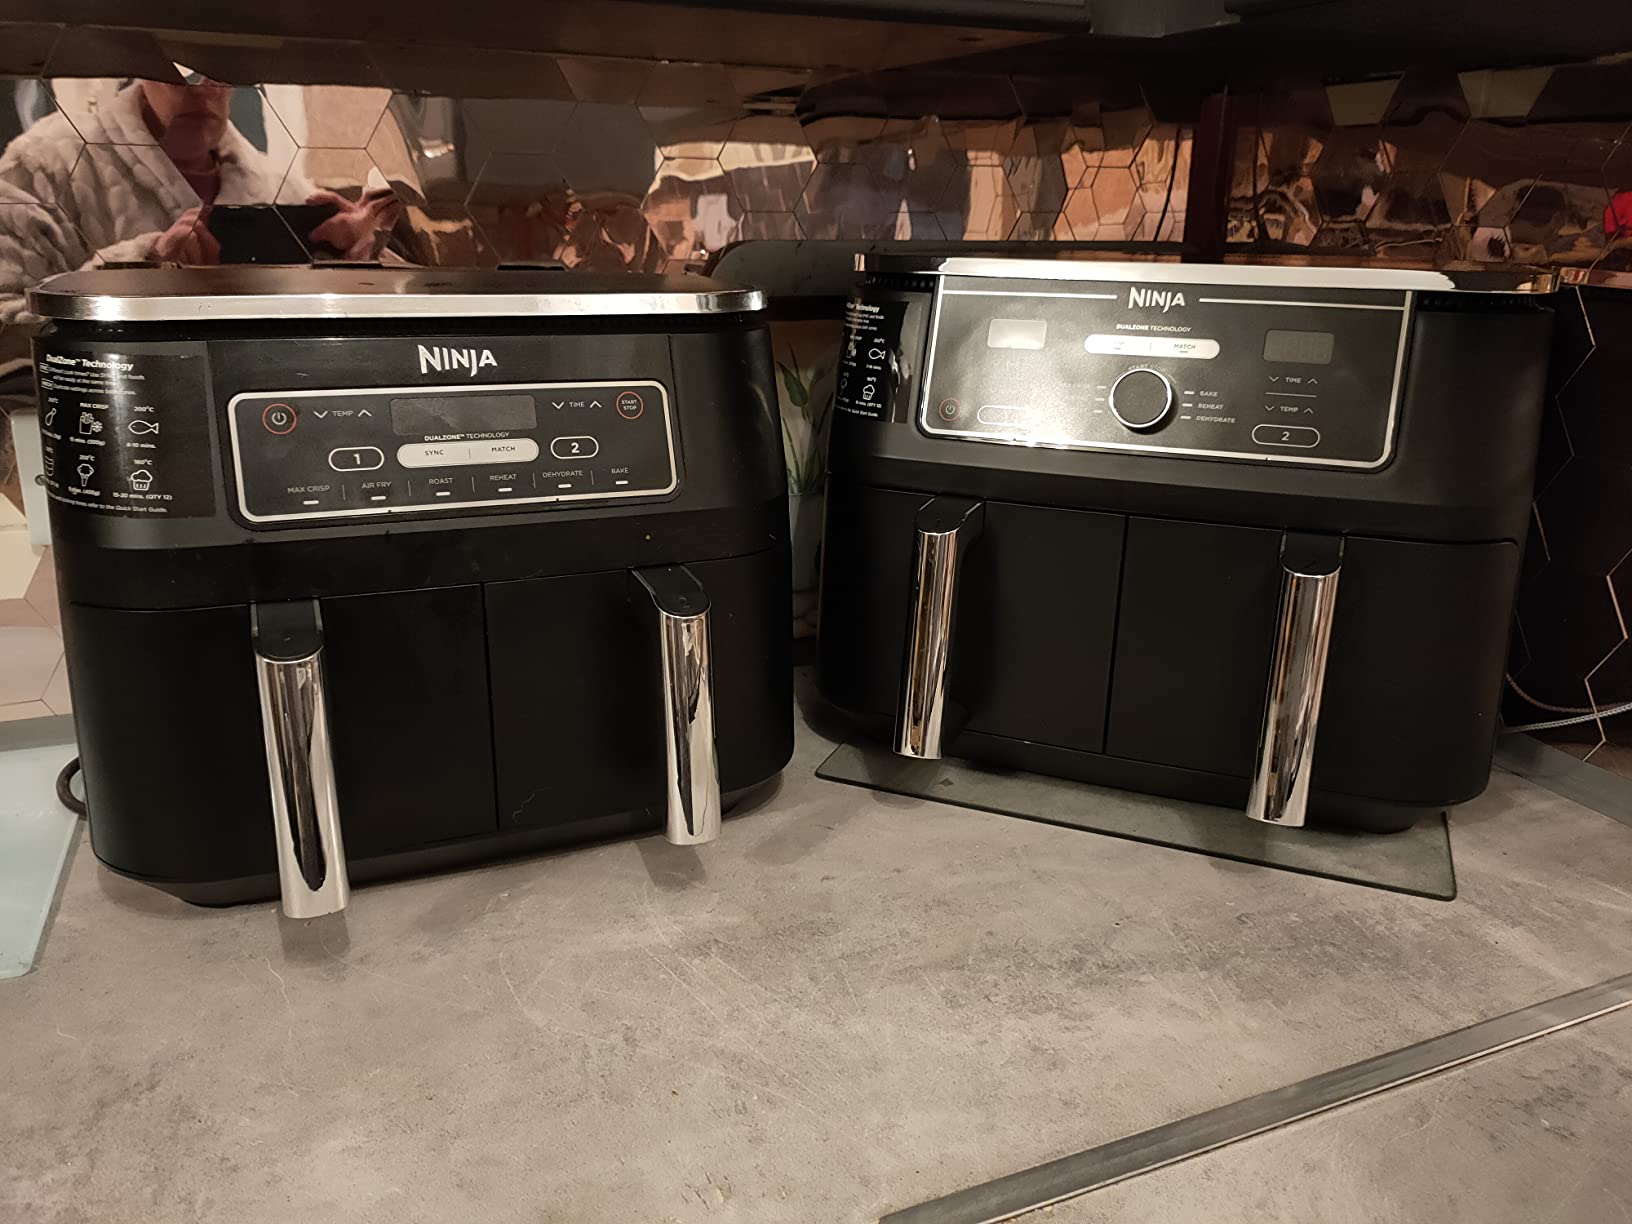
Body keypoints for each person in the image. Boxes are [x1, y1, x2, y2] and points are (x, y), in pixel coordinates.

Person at [0, 77, 398, 331]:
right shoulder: (41, 165)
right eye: (183, 70)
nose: (203, 87)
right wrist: (145, 264)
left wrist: (355, 256)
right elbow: (8, 325)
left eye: (218, 71)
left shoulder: (281, 187)